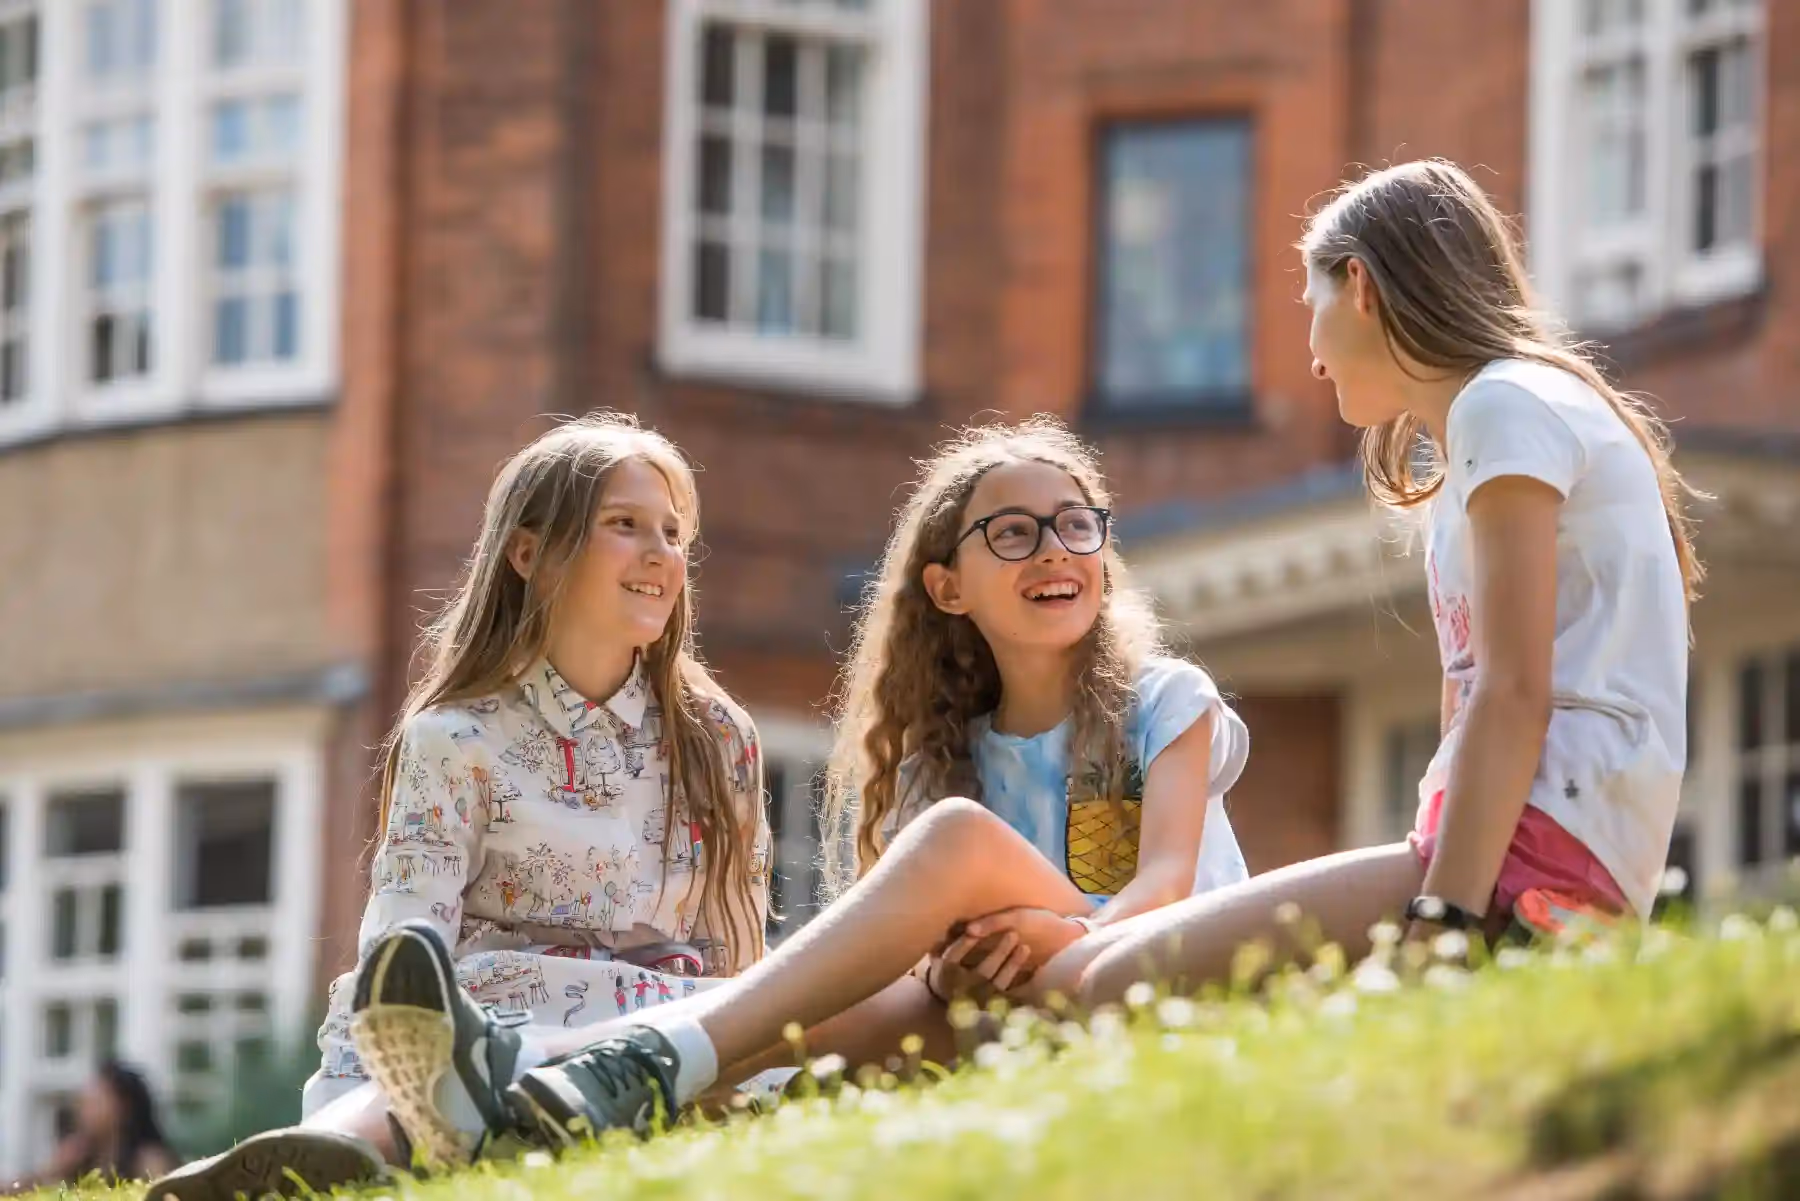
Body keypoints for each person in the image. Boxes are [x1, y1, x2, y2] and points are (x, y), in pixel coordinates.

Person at [461, 159, 1697, 1146]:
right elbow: (1487, 693)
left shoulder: (1502, 407)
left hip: (1524, 862)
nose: (1307, 342)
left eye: (1311, 302)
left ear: (1362, 285)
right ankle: (567, 1079)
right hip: (1528, 851)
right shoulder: (1509, 418)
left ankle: (639, 1069)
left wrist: (1441, 920)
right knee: (992, 980)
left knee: (1084, 977)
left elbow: (1515, 695)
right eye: (1013, 532)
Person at [334, 417, 1252, 1149]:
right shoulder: (942, 754)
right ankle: (377, 1129)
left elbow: (1166, 887)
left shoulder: (1162, 700)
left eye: (1077, 524)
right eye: (1013, 534)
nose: (1054, 549)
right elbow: (926, 956)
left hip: (1158, 956)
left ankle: (568, 1068)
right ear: (947, 588)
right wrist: (954, 963)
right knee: (892, 968)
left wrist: (1058, 929)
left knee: (954, 847)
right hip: (1037, 992)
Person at [146, 414, 771, 1200]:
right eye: (624, 525)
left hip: (667, 1026)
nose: (659, 554)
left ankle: (364, 1140)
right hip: (497, 1021)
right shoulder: (455, 738)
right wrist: (352, 1084)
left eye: (673, 533)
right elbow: (404, 952)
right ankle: (325, 1147)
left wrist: (752, 1058)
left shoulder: (720, 737)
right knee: (447, 1064)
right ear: (530, 554)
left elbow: (741, 945)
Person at [3, 1062, 176, 1193]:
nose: (82, 1111)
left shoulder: (149, 1161)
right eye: (82, 1103)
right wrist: (50, 1171)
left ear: (122, 1107)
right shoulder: (79, 1160)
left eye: (94, 1103)